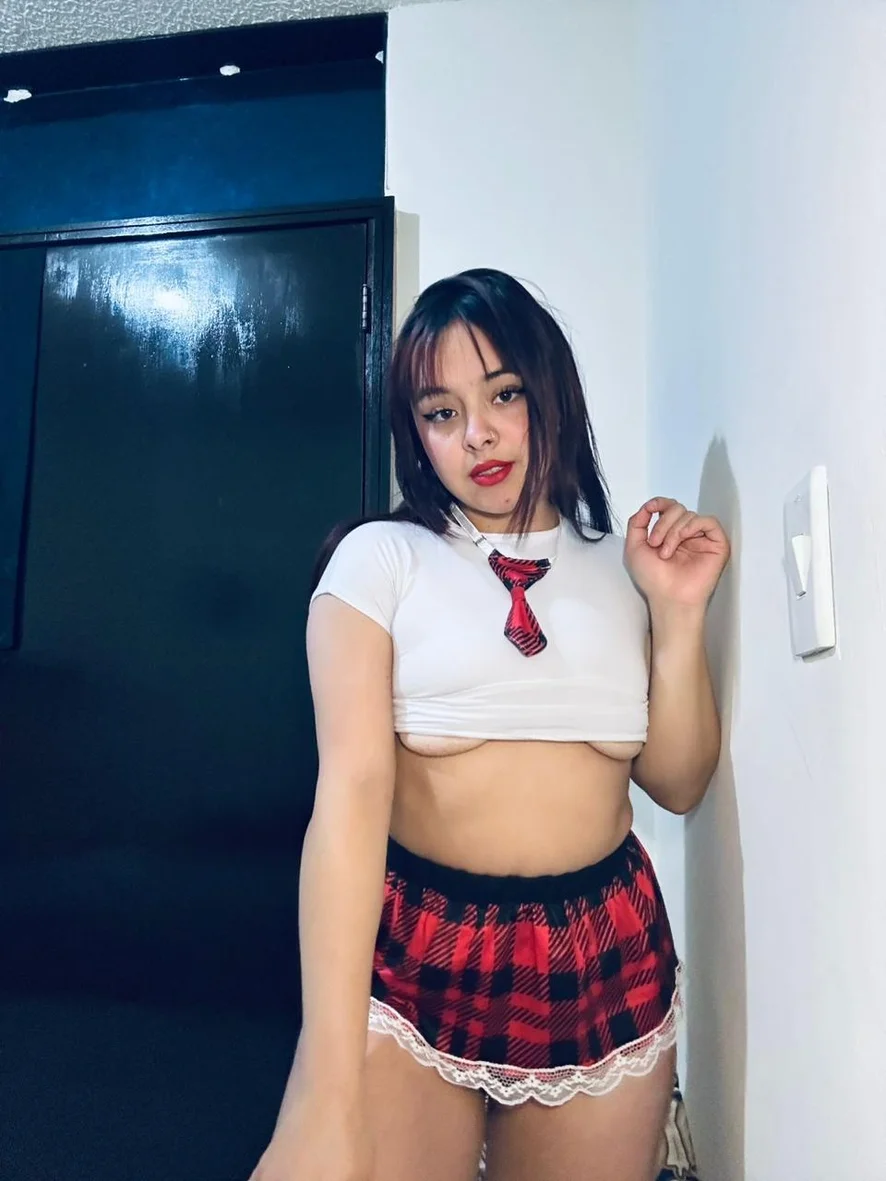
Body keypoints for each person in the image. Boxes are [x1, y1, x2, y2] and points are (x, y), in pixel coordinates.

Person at [250, 269, 729, 1181]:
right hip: (418, 947)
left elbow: (677, 781)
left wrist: (677, 615)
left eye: (504, 394)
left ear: (550, 391)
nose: (477, 434)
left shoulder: (625, 566)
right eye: (441, 412)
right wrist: (322, 1089)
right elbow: (349, 801)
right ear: (415, 433)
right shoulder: (379, 561)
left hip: (603, 948)